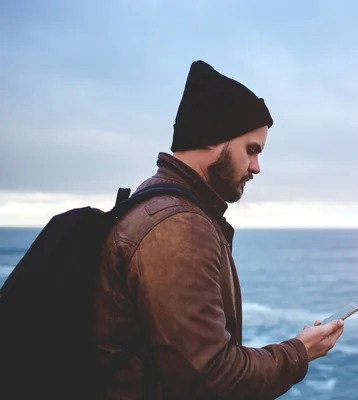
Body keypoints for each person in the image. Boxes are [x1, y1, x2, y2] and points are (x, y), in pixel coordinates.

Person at [92, 60, 345, 399]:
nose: (256, 167)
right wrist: (300, 352)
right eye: (251, 150)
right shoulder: (179, 228)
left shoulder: (154, 200)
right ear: (212, 137)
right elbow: (213, 379)